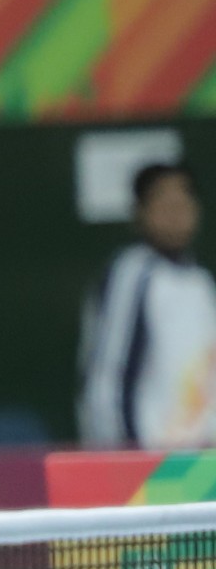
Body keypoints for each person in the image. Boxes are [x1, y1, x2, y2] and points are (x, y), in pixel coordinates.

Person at [80, 162, 216, 449]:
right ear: (140, 212)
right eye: (163, 201)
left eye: (184, 200)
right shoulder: (133, 272)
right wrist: (120, 457)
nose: (176, 211)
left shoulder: (201, 282)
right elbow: (107, 377)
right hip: (146, 460)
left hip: (199, 459)